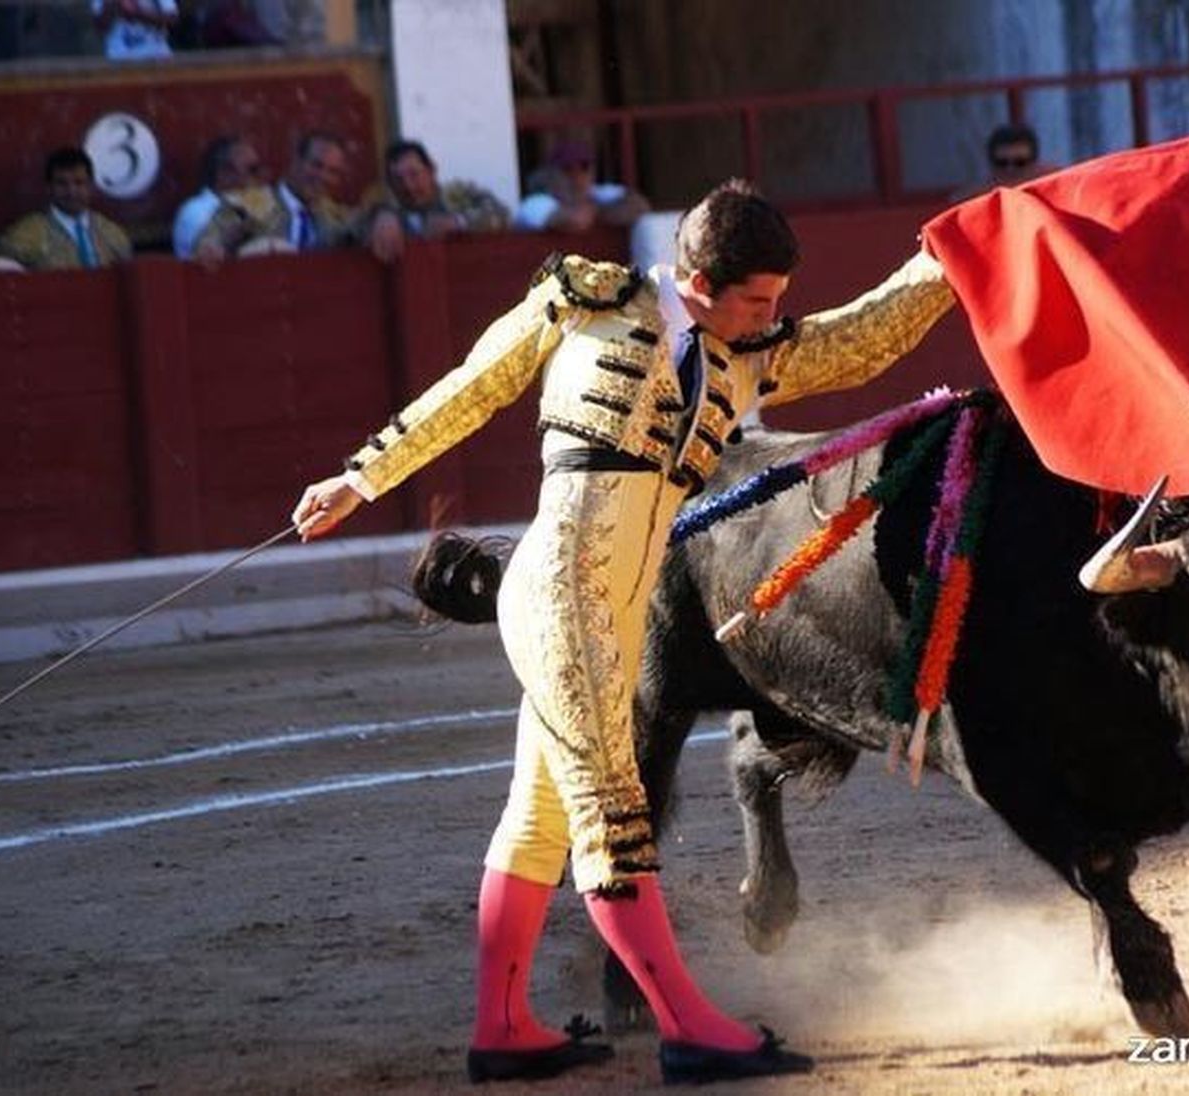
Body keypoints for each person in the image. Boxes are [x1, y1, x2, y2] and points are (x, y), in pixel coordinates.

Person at [289, 178, 956, 1084]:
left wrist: (948, 261)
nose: (773, 317)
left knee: (541, 818)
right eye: (756, 300)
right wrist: (361, 478)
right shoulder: (589, 302)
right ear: (695, 281)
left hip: (611, 606)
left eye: (777, 301)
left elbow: (855, 344)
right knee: (614, 815)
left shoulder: (740, 351)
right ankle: (688, 1026)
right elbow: (476, 385)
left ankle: (504, 1028)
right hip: (563, 596)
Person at [193, 131, 357, 265]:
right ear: (296, 162)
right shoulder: (255, 201)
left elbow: (364, 224)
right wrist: (211, 245)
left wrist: (381, 219)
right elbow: (216, 231)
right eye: (316, 165)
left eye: (333, 172)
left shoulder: (335, 216)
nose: (323, 176)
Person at [365, 139, 511, 264]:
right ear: (390, 183)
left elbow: (503, 214)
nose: (408, 186)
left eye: (414, 175)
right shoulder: (385, 210)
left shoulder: (458, 196)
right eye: (398, 179)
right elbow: (347, 232)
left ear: (431, 171)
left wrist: (458, 222)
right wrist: (379, 217)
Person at [0, 147, 133, 271]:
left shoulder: (113, 235)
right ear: (49, 188)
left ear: (90, 186)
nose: (71, 192)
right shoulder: (24, 236)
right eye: (62, 184)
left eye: (79, 183)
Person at [513, 139, 650, 233]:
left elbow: (640, 205)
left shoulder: (598, 192)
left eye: (584, 167)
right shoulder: (535, 203)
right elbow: (576, 221)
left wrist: (595, 210)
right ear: (551, 174)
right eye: (567, 169)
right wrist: (603, 211)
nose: (577, 175)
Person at [172, 135, 263, 259]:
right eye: (253, 170)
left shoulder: (254, 202)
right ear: (224, 173)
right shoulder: (196, 211)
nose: (260, 176)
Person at [950, 122, 1055, 202]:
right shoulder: (975, 199)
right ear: (991, 163)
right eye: (1002, 162)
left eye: (1020, 162)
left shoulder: (1053, 190)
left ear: (1034, 162)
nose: (1010, 169)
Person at [91, 0, 178, 60]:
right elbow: (99, 28)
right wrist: (114, 5)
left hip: (157, 57)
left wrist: (138, 13)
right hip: (118, 60)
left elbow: (172, 20)